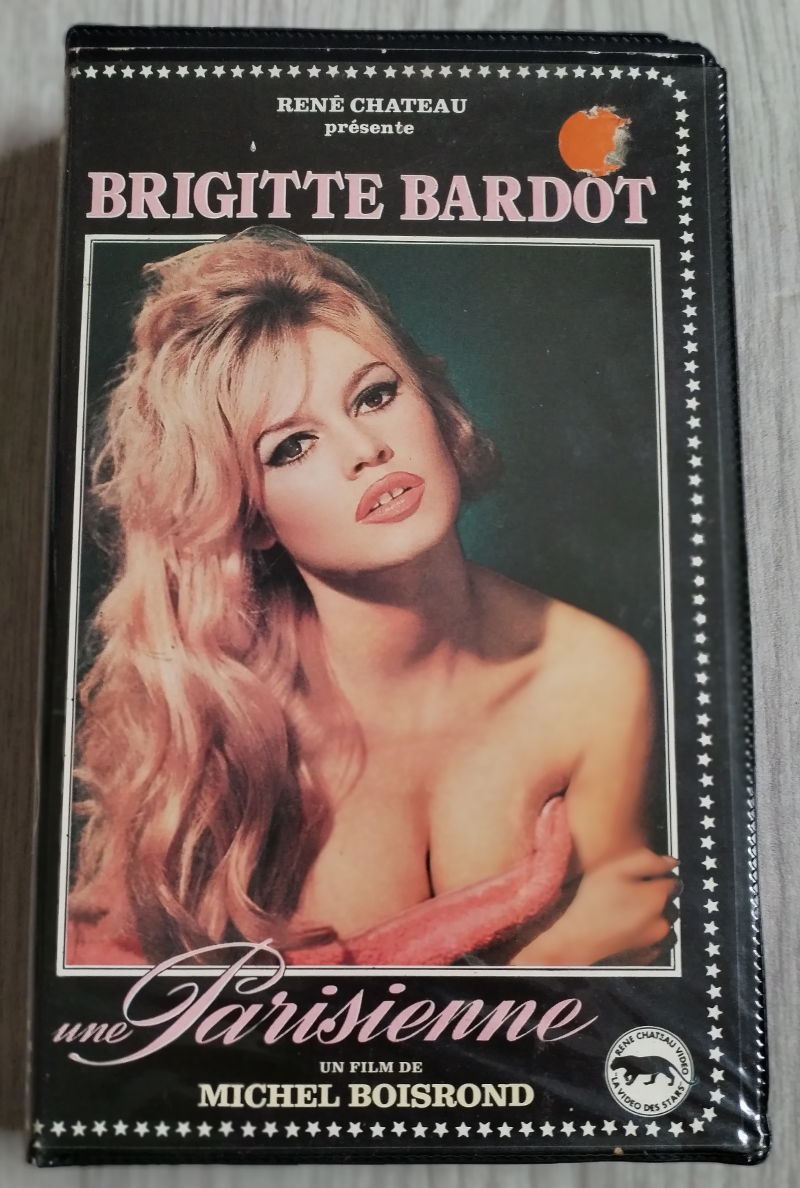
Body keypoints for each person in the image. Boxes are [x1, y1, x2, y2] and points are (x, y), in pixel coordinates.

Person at [67, 226, 678, 968]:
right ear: (251, 518)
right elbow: (124, 992)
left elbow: (630, 964)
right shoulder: (218, 715)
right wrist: (540, 962)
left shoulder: (593, 678)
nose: (366, 451)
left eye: (375, 395)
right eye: (292, 446)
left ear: (430, 401)